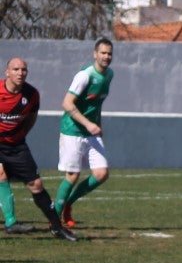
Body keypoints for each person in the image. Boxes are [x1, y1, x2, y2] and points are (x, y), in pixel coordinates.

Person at [0, 58, 77, 240]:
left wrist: (21, 134)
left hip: (17, 146)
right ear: (7, 72)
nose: (20, 73)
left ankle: (57, 227)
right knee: (0, 174)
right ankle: (11, 223)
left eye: (24, 70)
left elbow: (31, 117)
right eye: (16, 69)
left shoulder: (32, 94)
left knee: (36, 185)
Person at [54, 37, 115, 228]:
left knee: (101, 173)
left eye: (109, 53)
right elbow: (67, 103)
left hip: (91, 132)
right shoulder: (85, 75)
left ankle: (68, 204)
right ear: (95, 54)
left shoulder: (109, 75)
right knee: (72, 176)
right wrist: (88, 124)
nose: (106, 57)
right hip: (73, 130)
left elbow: (96, 104)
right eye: (103, 53)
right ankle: (54, 220)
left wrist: (98, 124)